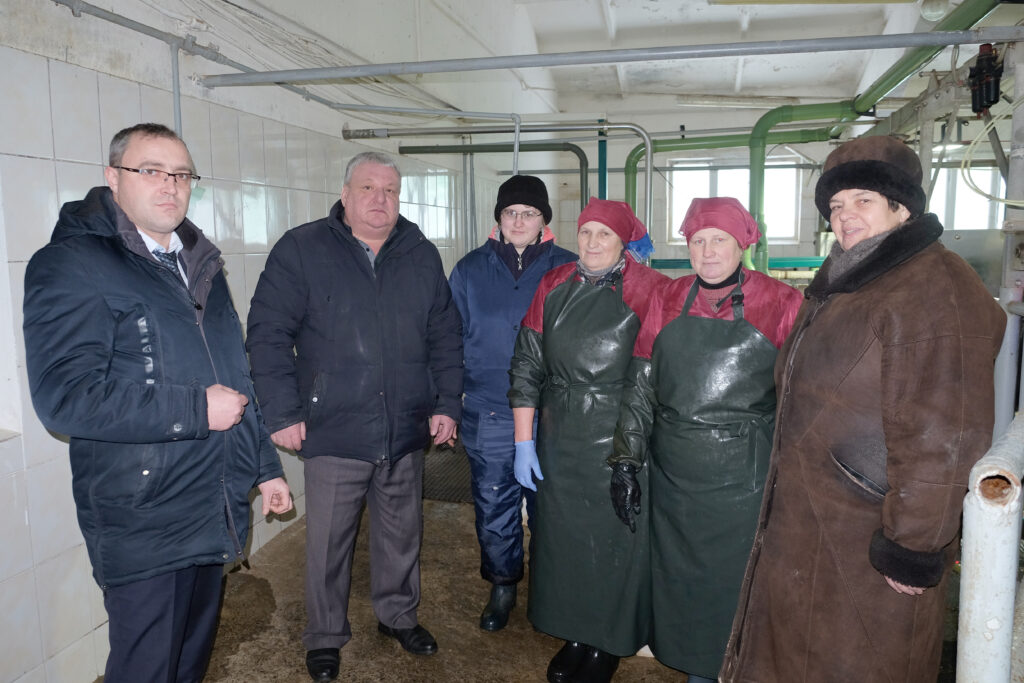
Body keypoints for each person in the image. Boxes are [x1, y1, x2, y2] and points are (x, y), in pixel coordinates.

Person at [719, 136, 1007, 682]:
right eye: (836, 205)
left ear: (902, 207)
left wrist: (912, 547)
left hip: (868, 537)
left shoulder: (933, 288)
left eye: (863, 200)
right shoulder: (854, 279)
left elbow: (945, 433)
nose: (845, 216)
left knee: (859, 661)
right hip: (816, 520)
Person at [22, 123, 292, 683]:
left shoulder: (200, 265)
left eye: (181, 174)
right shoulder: (71, 263)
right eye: (150, 171)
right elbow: (65, 399)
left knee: (189, 663)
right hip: (142, 513)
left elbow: (233, 379)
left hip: (210, 501)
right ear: (113, 178)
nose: (169, 185)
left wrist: (265, 468)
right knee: (146, 669)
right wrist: (196, 410)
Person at [245, 151, 463, 683]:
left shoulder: (419, 253)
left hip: (406, 421)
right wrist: (282, 411)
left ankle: (398, 616)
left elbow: (445, 334)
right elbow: (267, 335)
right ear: (345, 194)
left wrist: (447, 403)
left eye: (390, 190)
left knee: (401, 533)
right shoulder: (302, 249)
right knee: (327, 542)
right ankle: (324, 636)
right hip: (334, 424)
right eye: (368, 188)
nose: (380, 199)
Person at [610, 197, 802, 682]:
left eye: (720, 240)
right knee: (681, 580)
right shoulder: (667, 298)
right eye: (698, 241)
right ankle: (695, 666)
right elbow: (640, 384)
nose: (709, 251)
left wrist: (793, 477)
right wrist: (626, 460)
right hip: (675, 472)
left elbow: (800, 397)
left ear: (743, 245)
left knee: (734, 583)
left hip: (745, 476)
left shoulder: (781, 301)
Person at [508, 197, 669, 683]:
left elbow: (653, 374)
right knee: (564, 540)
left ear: (622, 242)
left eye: (605, 235)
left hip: (624, 429)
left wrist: (630, 453)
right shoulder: (554, 283)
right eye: (585, 233)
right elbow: (527, 363)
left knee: (617, 540)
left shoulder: (650, 288)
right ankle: (573, 631)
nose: (593, 243)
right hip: (562, 432)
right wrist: (524, 441)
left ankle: (606, 641)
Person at [448, 175, 576, 632]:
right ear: (498, 219)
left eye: (529, 213)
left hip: (556, 410)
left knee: (554, 505)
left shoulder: (570, 268)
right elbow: (448, 340)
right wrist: (446, 402)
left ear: (544, 220)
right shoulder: (468, 271)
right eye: (510, 213)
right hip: (490, 407)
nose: (519, 220)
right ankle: (503, 583)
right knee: (494, 501)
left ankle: (554, 584)